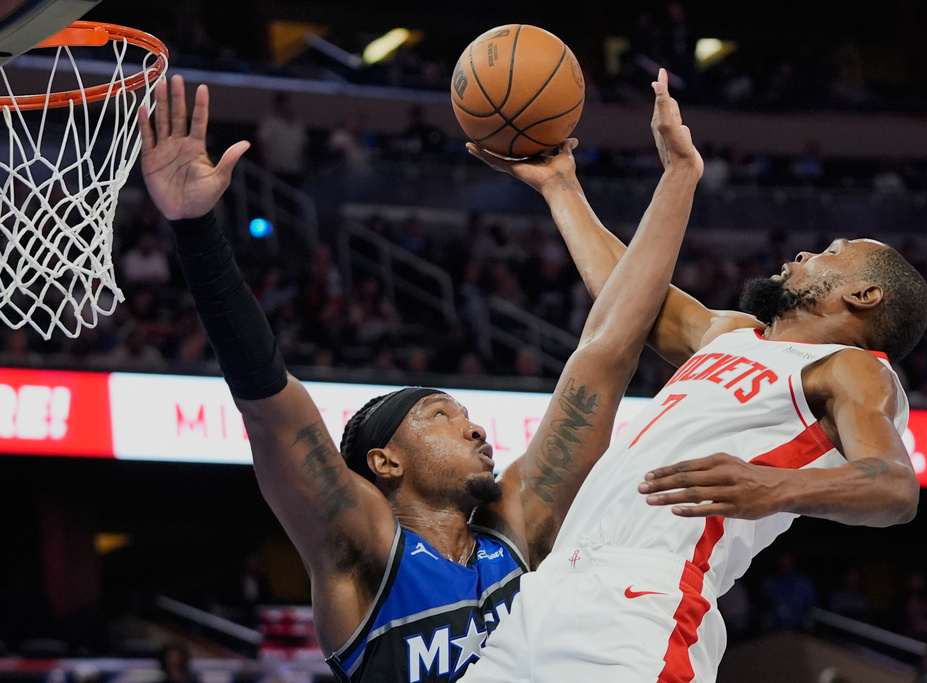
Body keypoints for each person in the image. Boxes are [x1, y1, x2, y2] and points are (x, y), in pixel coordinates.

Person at [139, 71, 703, 683]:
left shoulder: (515, 530)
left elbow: (607, 349)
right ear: (385, 462)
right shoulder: (363, 552)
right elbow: (273, 407)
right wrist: (196, 232)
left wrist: (654, 181)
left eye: (463, 416)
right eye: (442, 416)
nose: (475, 429)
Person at [463, 93, 927, 683]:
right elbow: (630, 294)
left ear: (863, 298)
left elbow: (895, 486)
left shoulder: (850, 369)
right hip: (547, 589)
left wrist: (776, 486)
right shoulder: (734, 333)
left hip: (646, 600)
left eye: (833, 255)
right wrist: (561, 187)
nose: (807, 253)